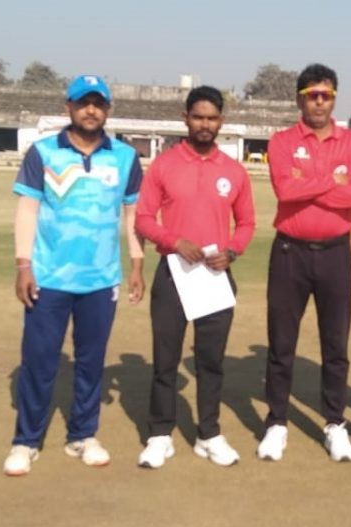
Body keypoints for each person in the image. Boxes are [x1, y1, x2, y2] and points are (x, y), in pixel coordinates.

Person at [3, 74, 146, 476]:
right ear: (68, 107)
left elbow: (132, 213)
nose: (91, 110)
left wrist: (136, 263)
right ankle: (26, 440)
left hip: (100, 279)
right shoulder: (44, 152)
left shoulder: (124, 157)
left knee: (90, 362)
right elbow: (27, 210)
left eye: (98, 103)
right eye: (83, 103)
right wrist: (23, 265)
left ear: (108, 110)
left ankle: (83, 435)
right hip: (48, 278)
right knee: (39, 361)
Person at [134, 85, 256, 469]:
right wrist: (174, 241)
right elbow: (143, 218)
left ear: (221, 121)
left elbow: (247, 223)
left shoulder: (233, 171)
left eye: (212, 118)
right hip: (174, 274)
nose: (205, 124)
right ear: (185, 118)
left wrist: (232, 250)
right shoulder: (164, 165)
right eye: (198, 117)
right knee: (165, 361)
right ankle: (160, 434)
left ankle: (209, 434)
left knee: (210, 362)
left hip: (215, 276)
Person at [256, 63, 351, 463]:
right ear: (299, 98)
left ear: (334, 98)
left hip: (335, 253)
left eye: (326, 95)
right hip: (290, 253)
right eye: (312, 95)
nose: (319, 102)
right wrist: (332, 182)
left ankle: (335, 423)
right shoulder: (282, 140)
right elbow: (285, 190)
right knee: (281, 344)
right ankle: (276, 423)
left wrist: (309, 183)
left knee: (336, 345)